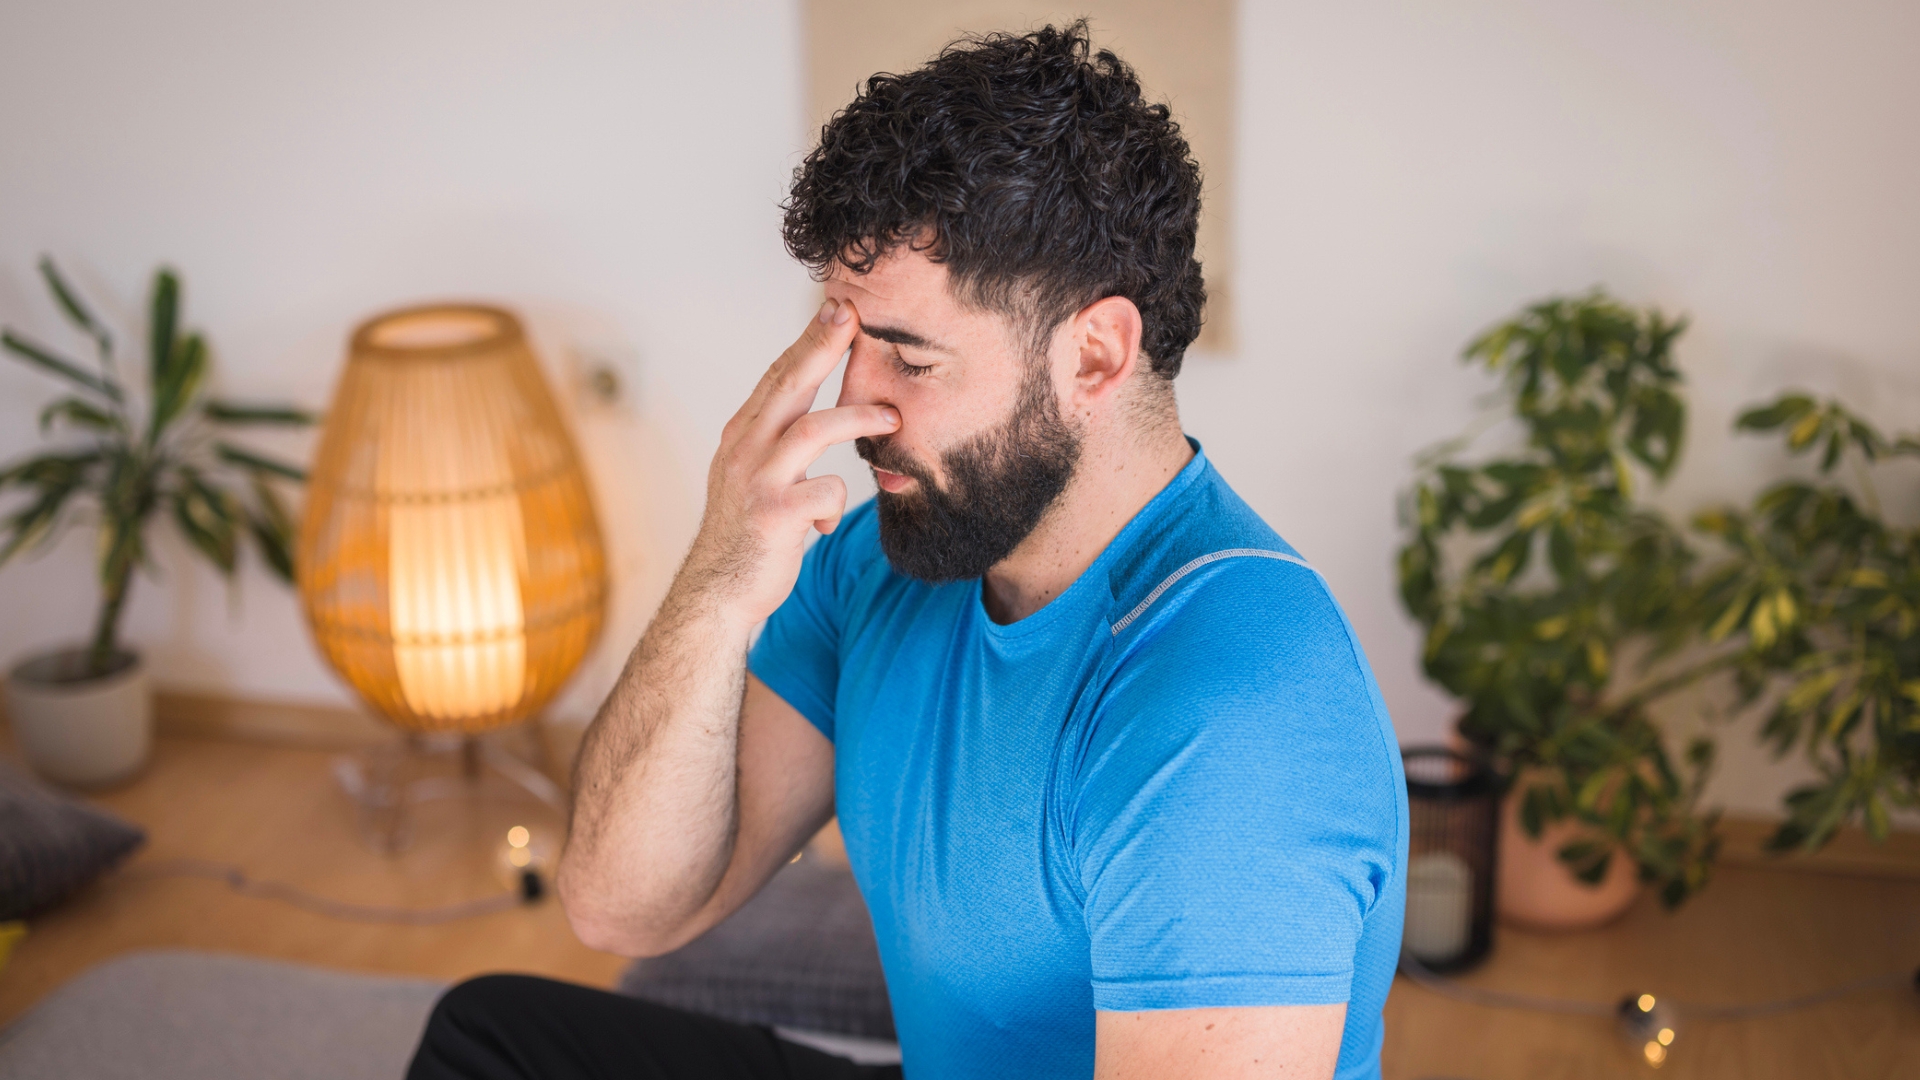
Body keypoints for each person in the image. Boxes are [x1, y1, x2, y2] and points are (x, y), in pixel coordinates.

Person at [409, 22, 1406, 1080]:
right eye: (846, 344)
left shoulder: (1232, 708)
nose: (854, 408)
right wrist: (717, 580)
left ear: (1097, 354)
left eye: (907, 357)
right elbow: (622, 906)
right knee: (494, 1038)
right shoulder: (885, 559)